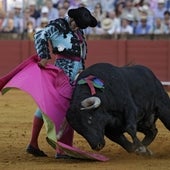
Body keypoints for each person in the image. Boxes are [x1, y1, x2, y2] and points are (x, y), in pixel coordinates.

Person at [26, 6, 97, 158]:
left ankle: (33, 144)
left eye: (80, 26)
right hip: (62, 73)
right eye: (76, 24)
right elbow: (40, 35)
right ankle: (61, 149)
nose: (77, 28)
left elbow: (80, 52)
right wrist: (44, 56)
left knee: (45, 107)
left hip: (75, 72)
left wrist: (81, 68)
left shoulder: (78, 28)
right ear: (71, 19)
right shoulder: (58, 25)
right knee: (64, 108)